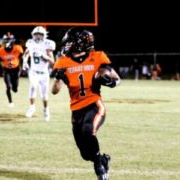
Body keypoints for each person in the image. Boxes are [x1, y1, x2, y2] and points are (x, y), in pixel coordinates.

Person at [51, 27, 120, 180]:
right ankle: (102, 159)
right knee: (85, 154)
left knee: (88, 130)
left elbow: (117, 79)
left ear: (79, 43)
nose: (67, 45)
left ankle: (100, 168)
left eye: (70, 42)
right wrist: (57, 78)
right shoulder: (63, 61)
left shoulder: (97, 57)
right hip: (76, 111)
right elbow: (54, 91)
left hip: (94, 105)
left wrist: (109, 82)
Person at [22, 26, 56, 121]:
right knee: (32, 86)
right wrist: (24, 62)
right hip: (33, 72)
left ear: (44, 35)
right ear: (33, 35)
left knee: (44, 95)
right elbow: (26, 54)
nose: (37, 36)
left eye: (40, 34)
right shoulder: (30, 43)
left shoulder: (48, 44)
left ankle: (46, 109)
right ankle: (32, 107)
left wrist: (44, 56)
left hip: (44, 73)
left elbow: (52, 61)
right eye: (36, 34)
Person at [0, 32, 24, 107]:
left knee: (15, 90)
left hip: (15, 70)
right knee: (8, 86)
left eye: (8, 40)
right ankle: (10, 102)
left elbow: (21, 58)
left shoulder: (18, 48)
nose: (6, 42)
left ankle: (15, 87)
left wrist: (23, 67)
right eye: (5, 40)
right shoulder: (0, 50)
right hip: (6, 70)